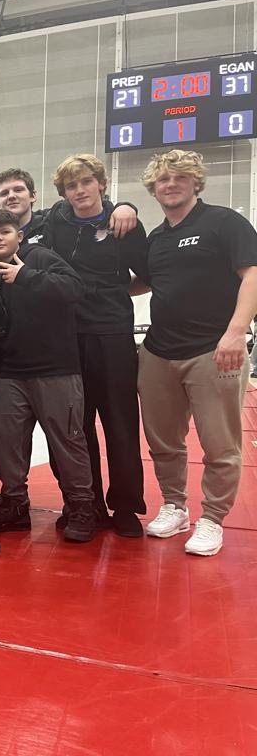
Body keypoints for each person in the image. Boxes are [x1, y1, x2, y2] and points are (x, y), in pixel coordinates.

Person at [136, 150, 257, 556]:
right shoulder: (157, 238)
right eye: (162, 180)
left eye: (179, 177)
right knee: (163, 442)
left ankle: (212, 518)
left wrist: (236, 332)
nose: (170, 184)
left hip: (213, 351)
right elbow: (145, 284)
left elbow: (252, 274)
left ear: (195, 182)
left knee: (220, 444)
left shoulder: (224, 222)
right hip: (158, 352)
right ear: (153, 189)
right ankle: (174, 506)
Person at [0, 210, 98, 541]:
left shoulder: (39, 257)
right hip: (13, 374)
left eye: (5, 231)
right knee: (9, 444)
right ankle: (15, 503)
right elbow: (0, 327)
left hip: (56, 371)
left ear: (19, 234)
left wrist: (27, 274)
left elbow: (76, 289)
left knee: (68, 441)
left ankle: (82, 507)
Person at [45, 154, 150, 537]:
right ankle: (84, 504)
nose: (80, 191)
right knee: (77, 426)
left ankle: (125, 506)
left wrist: (114, 293)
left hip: (112, 333)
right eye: (72, 185)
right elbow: (17, 220)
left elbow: (150, 275)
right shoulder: (55, 220)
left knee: (120, 423)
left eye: (87, 182)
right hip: (68, 335)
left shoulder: (124, 223)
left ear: (101, 184)